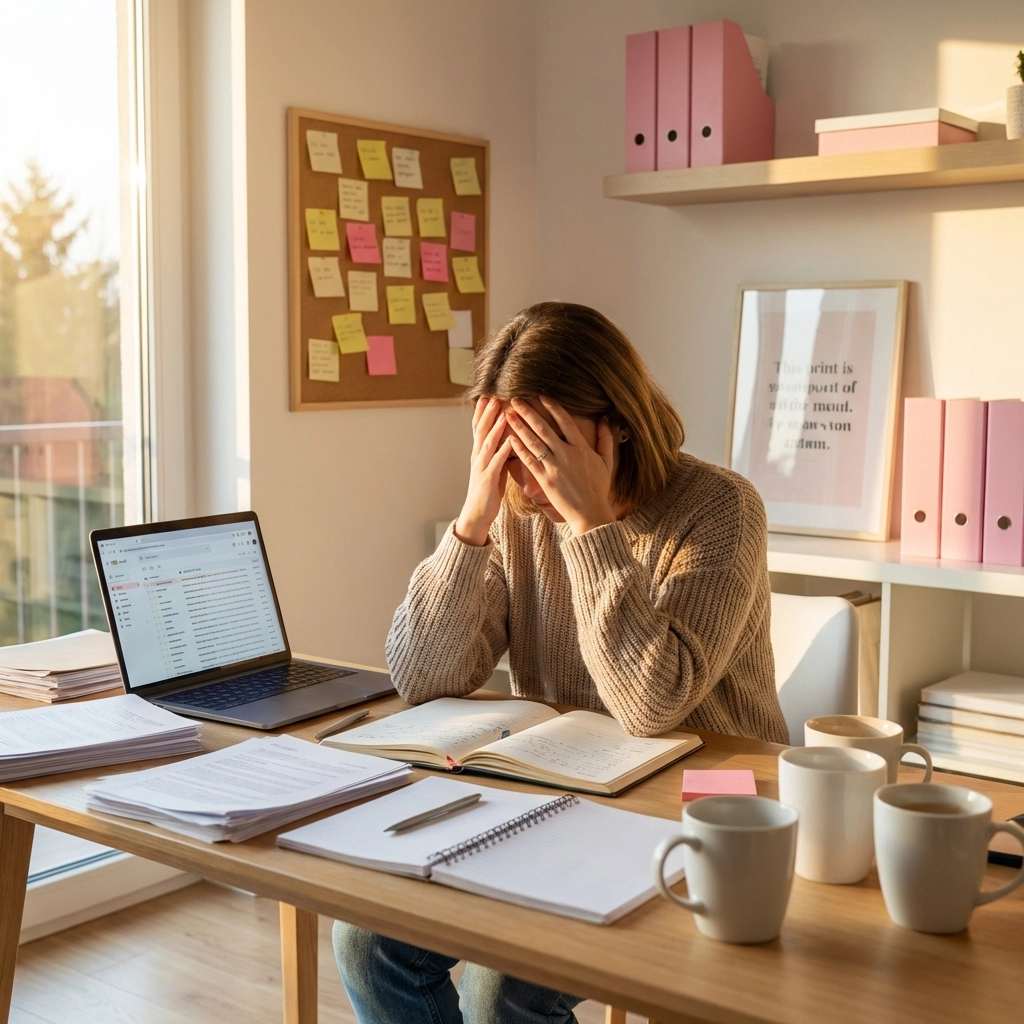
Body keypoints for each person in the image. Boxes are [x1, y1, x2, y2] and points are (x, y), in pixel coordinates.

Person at [333, 301, 788, 1024]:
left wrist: (591, 524)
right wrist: (474, 517)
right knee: (364, 940)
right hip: (555, 799)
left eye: (547, 450)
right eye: (508, 452)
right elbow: (423, 677)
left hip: (697, 812)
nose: (528, 479)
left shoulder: (721, 509)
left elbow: (650, 706)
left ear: (617, 428)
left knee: (501, 988)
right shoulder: (513, 510)